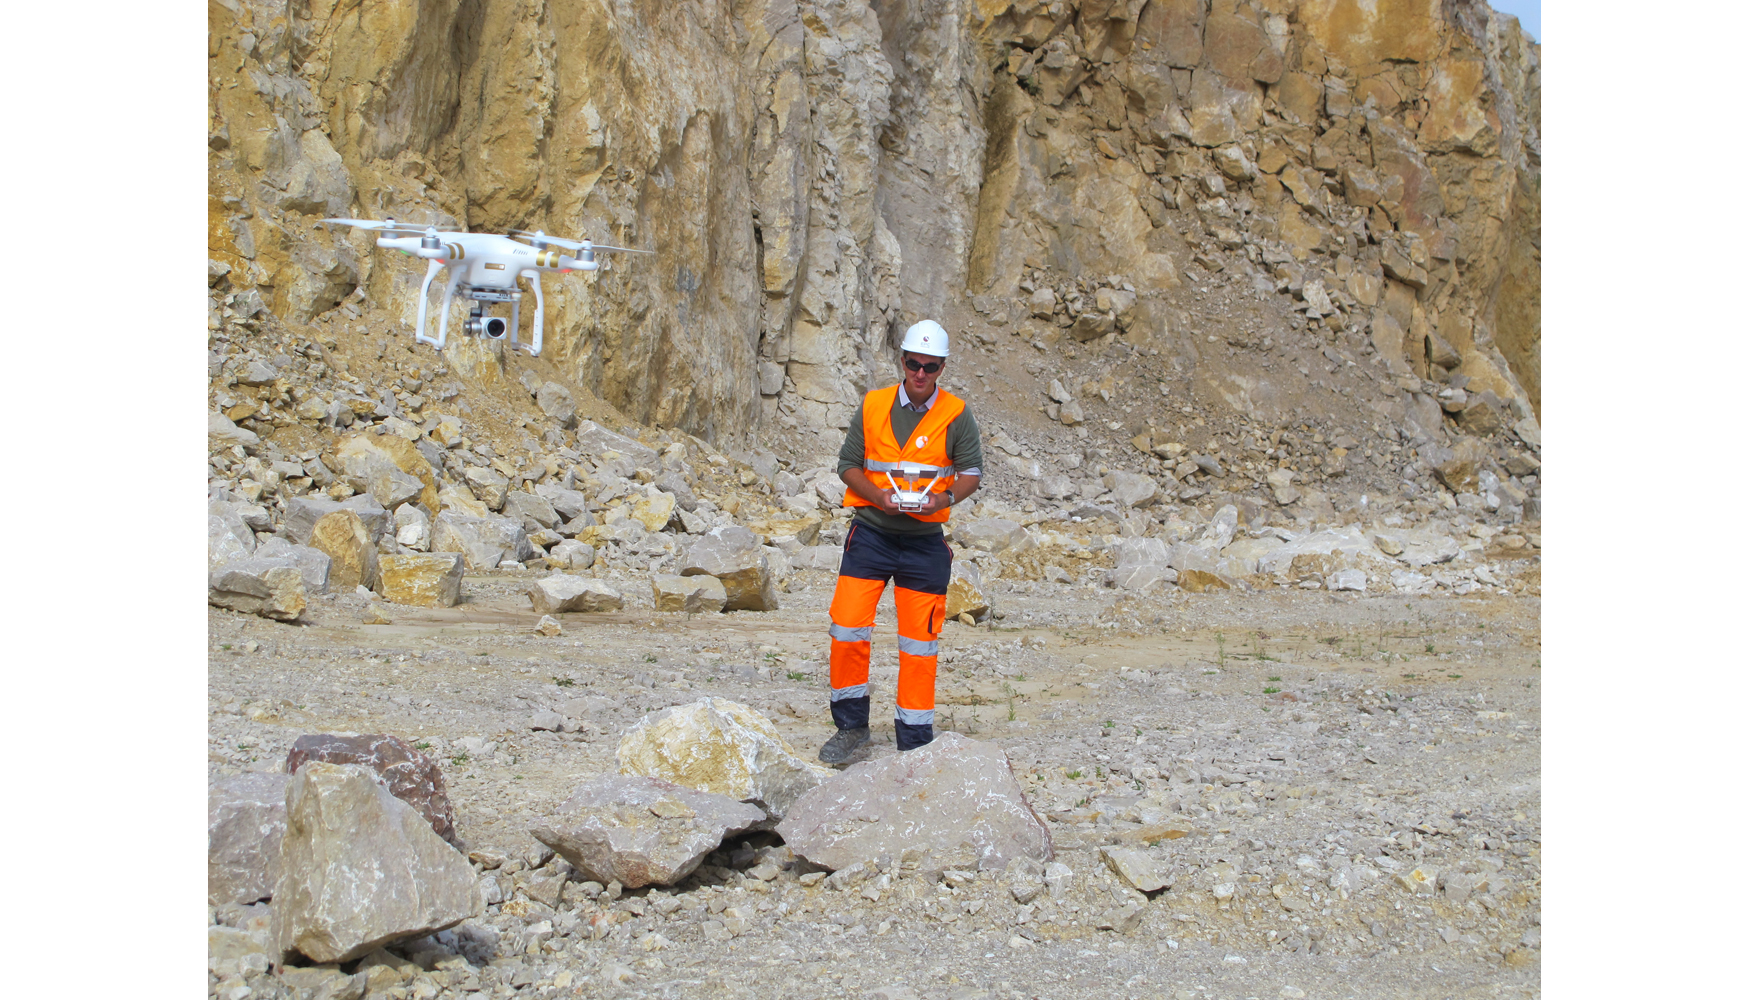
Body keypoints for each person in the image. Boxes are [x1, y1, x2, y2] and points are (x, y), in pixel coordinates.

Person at [819, 319, 984, 764]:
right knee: (848, 628)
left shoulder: (956, 413)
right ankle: (851, 730)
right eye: (913, 364)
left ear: (942, 368)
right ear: (903, 361)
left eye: (930, 367)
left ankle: (914, 741)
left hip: (924, 544)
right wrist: (878, 498)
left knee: (918, 643)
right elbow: (848, 464)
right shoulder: (873, 405)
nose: (920, 374)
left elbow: (973, 471)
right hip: (870, 534)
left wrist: (944, 500)